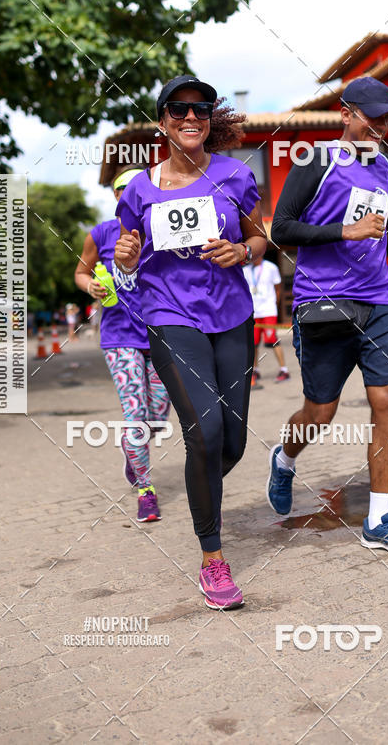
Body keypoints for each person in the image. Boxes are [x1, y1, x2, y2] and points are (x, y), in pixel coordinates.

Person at [114, 75, 267, 609]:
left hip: (231, 317)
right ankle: (213, 559)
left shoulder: (235, 175)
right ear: (163, 122)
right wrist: (127, 259)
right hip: (169, 316)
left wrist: (243, 253)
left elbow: (260, 237)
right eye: (178, 109)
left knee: (232, 442)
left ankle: (201, 480)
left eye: (200, 108)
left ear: (209, 118)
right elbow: (126, 254)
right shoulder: (139, 189)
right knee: (203, 431)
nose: (190, 116)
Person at [270, 77, 388, 558]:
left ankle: (379, 518)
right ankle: (285, 457)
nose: (380, 126)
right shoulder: (314, 161)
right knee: (320, 412)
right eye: (372, 116)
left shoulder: (383, 164)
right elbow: (281, 229)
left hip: (378, 297)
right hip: (323, 302)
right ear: (346, 113)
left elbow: (384, 209)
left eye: (387, 118)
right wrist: (347, 230)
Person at [74, 168, 171, 522]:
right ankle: (146, 490)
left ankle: (131, 450)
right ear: (116, 196)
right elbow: (81, 272)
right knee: (135, 416)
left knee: (157, 419)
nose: (130, 194)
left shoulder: (163, 228)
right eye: (123, 190)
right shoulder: (100, 234)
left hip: (162, 334)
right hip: (120, 338)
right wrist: (90, 287)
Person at [242, 255, 289, 385]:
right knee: (254, 342)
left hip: (268, 310)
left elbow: (278, 288)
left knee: (272, 340)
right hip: (254, 311)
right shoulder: (246, 270)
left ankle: (284, 370)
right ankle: (255, 370)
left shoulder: (271, 267)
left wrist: (274, 304)